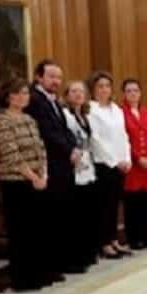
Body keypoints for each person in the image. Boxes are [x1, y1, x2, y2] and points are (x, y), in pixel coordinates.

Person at [24, 59, 80, 278]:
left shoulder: (54, 101)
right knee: (52, 215)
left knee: (64, 213)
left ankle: (65, 260)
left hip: (64, 164)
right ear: (39, 77)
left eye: (59, 77)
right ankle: (53, 264)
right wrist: (68, 150)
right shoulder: (35, 100)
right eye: (51, 76)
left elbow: (64, 129)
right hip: (50, 164)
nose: (56, 81)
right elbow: (47, 132)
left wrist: (73, 148)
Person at [0, 79, 49, 291]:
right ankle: (22, 278)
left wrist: (43, 174)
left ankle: (38, 273)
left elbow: (40, 148)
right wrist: (32, 177)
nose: (25, 97)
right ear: (9, 96)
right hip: (16, 182)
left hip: (36, 180)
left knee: (36, 229)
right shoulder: (2, 120)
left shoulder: (29, 119)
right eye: (21, 93)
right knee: (20, 230)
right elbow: (11, 154)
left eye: (26, 93)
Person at [87, 70, 132, 260]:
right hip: (104, 163)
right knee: (104, 205)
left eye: (107, 86)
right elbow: (96, 139)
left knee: (115, 204)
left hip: (121, 164)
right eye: (100, 86)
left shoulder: (116, 109)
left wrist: (127, 159)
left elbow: (123, 136)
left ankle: (113, 239)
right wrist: (114, 161)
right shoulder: (91, 109)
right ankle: (104, 242)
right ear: (93, 89)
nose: (104, 90)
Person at [61, 80, 99, 270]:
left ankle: (88, 252)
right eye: (74, 91)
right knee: (76, 214)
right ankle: (75, 257)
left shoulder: (84, 115)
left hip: (87, 166)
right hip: (73, 167)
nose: (78, 95)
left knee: (88, 212)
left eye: (81, 92)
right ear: (67, 95)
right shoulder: (65, 115)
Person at [121, 78, 147, 250]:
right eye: (129, 91)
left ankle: (145, 236)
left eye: (135, 90)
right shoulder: (121, 113)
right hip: (133, 166)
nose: (133, 94)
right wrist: (138, 158)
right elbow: (123, 140)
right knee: (132, 203)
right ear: (124, 94)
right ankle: (133, 238)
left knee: (146, 202)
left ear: (140, 93)